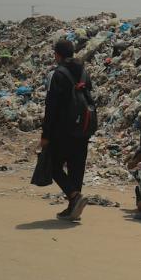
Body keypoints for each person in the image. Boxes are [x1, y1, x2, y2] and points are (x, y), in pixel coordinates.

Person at [40, 40, 93, 221]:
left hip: (63, 131)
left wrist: (46, 135)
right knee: (76, 168)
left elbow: (51, 107)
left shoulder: (59, 74)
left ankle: (74, 196)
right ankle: (73, 208)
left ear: (58, 55)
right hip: (83, 130)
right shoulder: (84, 73)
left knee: (53, 165)